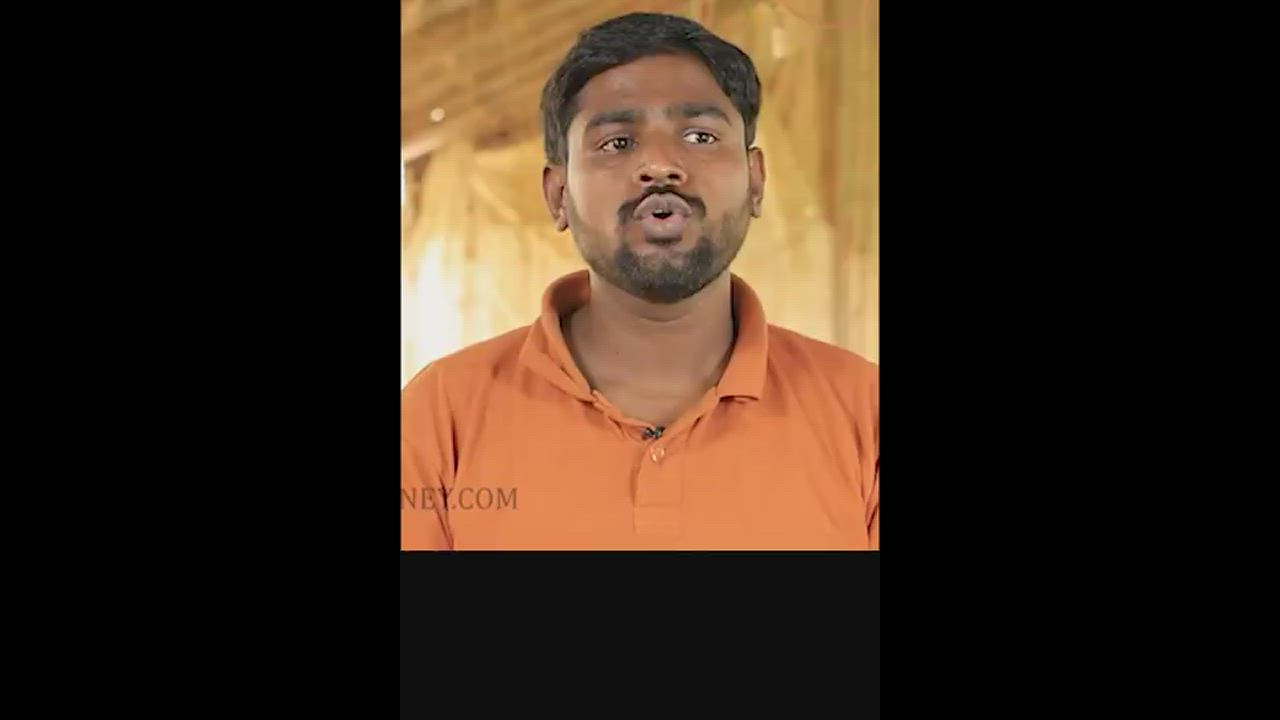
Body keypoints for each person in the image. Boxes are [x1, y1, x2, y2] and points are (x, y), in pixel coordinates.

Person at [401, 12, 878, 550]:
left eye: (699, 135)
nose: (660, 165)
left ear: (755, 181)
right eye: (617, 142)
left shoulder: (864, 413)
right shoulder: (439, 416)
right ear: (558, 196)